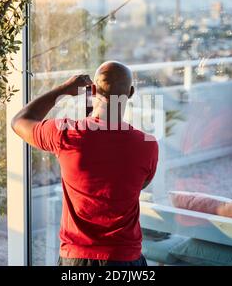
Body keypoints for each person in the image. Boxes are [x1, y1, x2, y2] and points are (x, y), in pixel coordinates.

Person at [12, 61, 158, 266]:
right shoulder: (147, 144)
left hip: (76, 258)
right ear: (131, 92)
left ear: (94, 90)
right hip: (124, 258)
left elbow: (20, 121)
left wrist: (64, 89)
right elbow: (138, 185)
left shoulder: (66, 133)